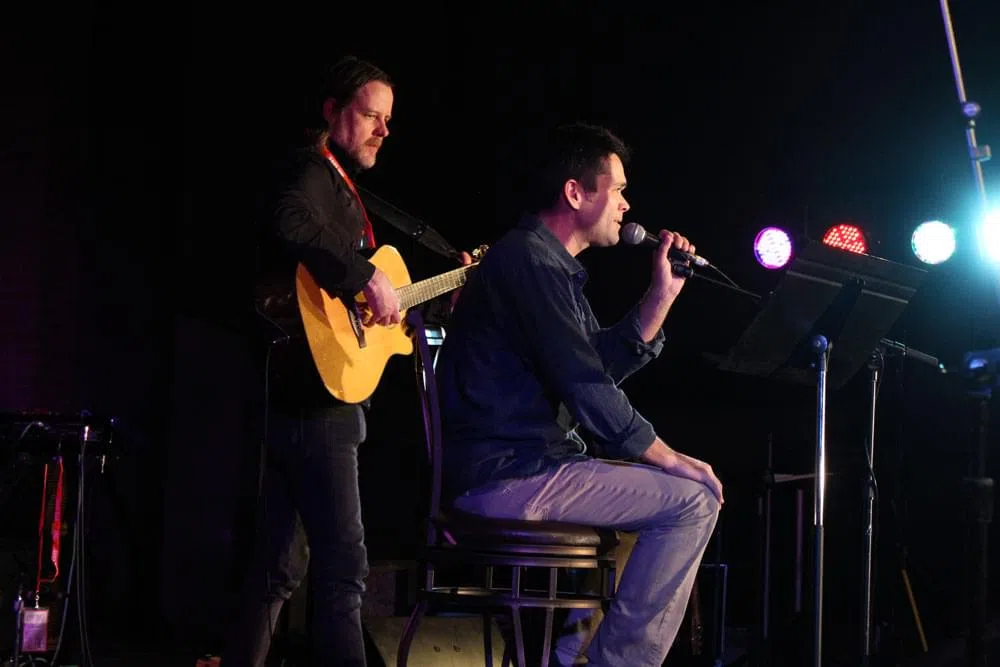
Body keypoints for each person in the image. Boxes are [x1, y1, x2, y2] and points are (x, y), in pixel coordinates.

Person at [435, 122, 724, 666]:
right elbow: (585, 385)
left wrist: (661, 295)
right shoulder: (528, 262)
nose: (626, 205)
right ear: (575, 192)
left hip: (530, 467)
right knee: (692, 501)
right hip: (508, 474)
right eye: (617, 190)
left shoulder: (547, 266)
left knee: (665, 511)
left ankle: (567, 657)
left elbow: (597, 367)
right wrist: (667, 456)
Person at [222, 55, 464, 667]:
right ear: (332, 111)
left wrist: (442, 295)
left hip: (304, 395)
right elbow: (289, 220)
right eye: (371, 116)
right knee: (345, 571)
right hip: (318, 403)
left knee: (278, 569)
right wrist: (361, 276)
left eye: (388, 120)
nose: (384, 130)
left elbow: (386, 319)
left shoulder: (342, 185)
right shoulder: (311, 170)